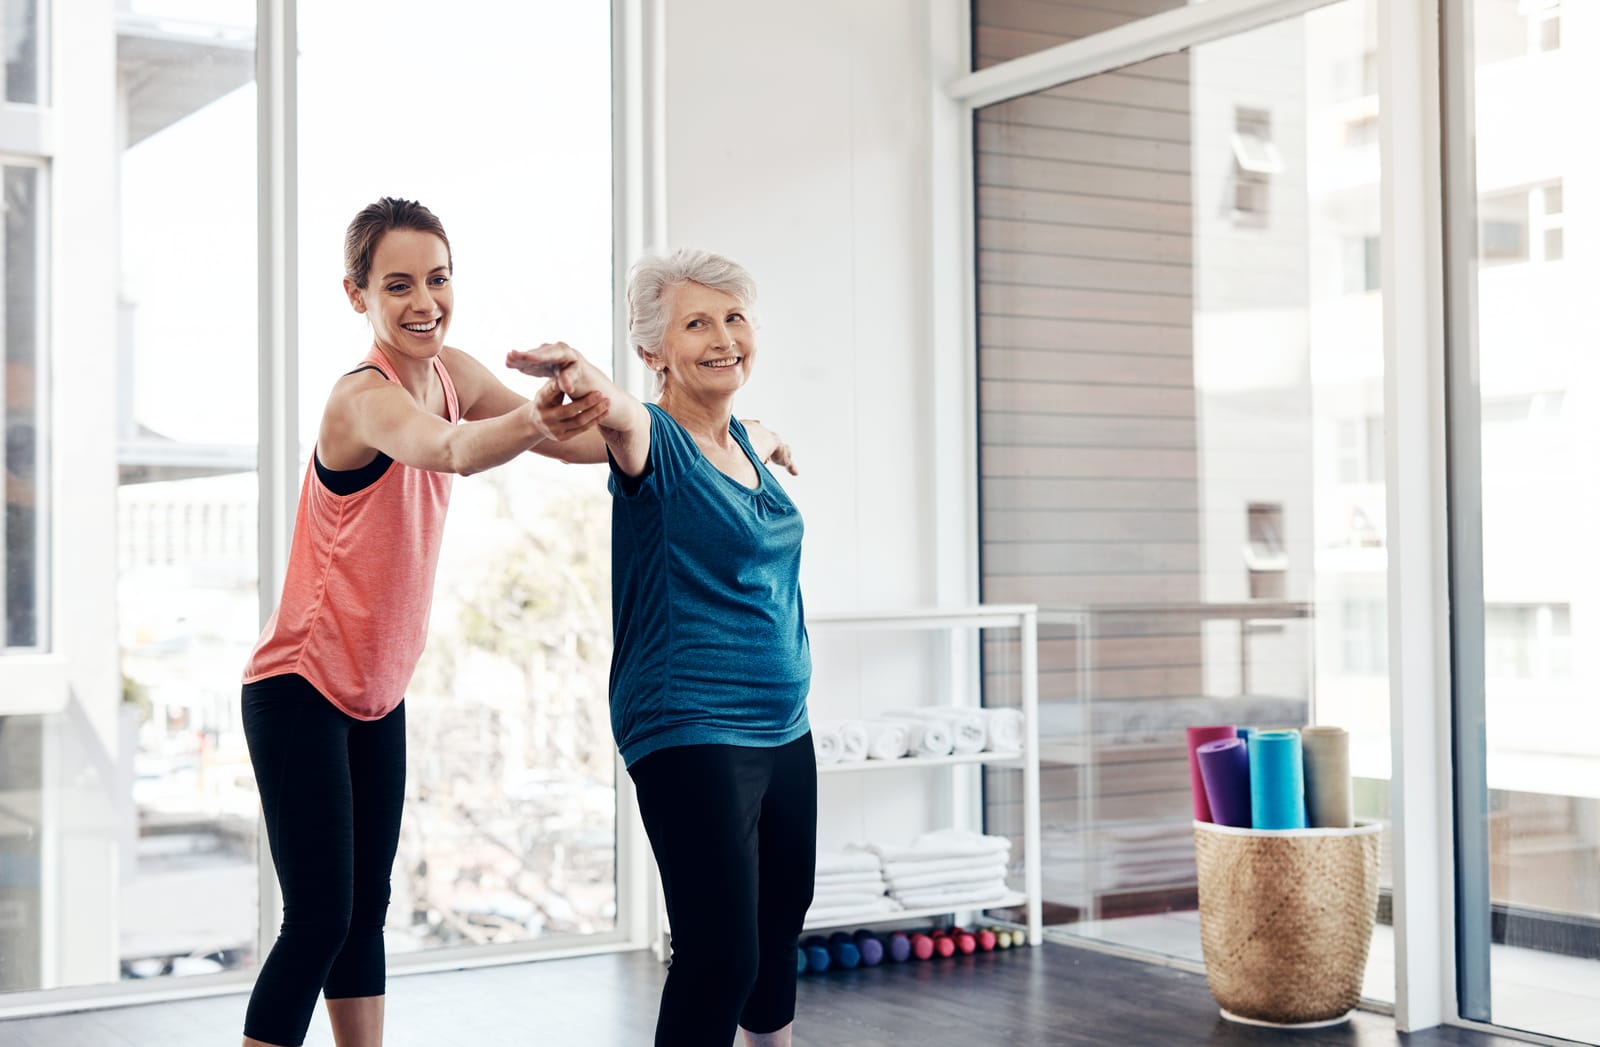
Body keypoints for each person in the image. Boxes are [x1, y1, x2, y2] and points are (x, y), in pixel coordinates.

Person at [236, 197, 615, 1047]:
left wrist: (642, 422)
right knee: (320, 916)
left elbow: (566, 443)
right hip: (298, 685)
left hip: (377, 691)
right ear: (356, 295)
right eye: (398, 284)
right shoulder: (361, 400)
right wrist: (532, 416)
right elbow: (448, 448)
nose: (424, 302)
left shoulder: (451, 372)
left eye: (438, 280)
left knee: (365, 909)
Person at [506, 248, 815, 1047]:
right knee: (720, 953)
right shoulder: (653, 441)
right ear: (654, 352)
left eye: (734, 317)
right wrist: (587, 377)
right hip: (690, 725)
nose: (723, 337)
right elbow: (621, 415)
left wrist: (771, 439)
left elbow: (753, 427)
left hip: (783, 724)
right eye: (696, 323)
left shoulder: (744, 441)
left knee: (778, 930)